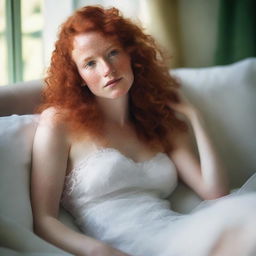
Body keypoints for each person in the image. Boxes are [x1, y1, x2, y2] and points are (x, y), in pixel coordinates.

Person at [31, 5, 256, 256]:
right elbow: (44, 220)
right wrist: (98, 251)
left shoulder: (154, 119)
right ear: (79, 76)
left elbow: (216, 193)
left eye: (113, 53)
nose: (107, 69)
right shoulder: (59, 123)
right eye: (90, 63)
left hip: (178, 232)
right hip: (127, 249)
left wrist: (195, 118)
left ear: (131, 54)